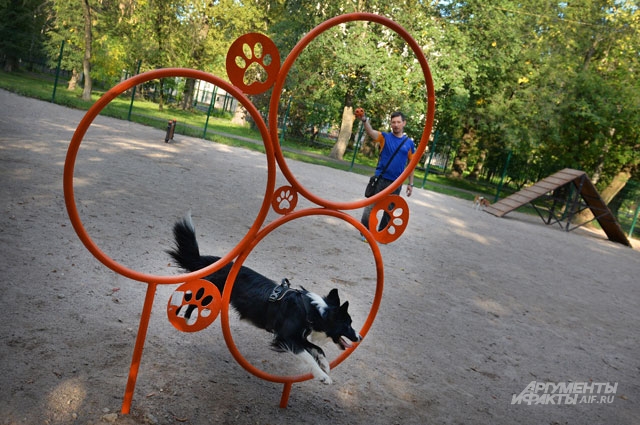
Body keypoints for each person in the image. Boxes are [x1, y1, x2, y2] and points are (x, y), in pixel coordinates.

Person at [359, 110, 416, 234]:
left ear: (404, 123)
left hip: (396, 183)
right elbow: (371, 132)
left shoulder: (409, 144)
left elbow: (411, 165)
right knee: (370, 206)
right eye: (393, 122)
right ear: (391, 124)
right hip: (381, 178)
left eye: (398, 122)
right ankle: (365, 232)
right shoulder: (384, 137)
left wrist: (410, 184)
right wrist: (364, 120)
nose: (396, 125)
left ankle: (381, 234)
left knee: (389, 210)